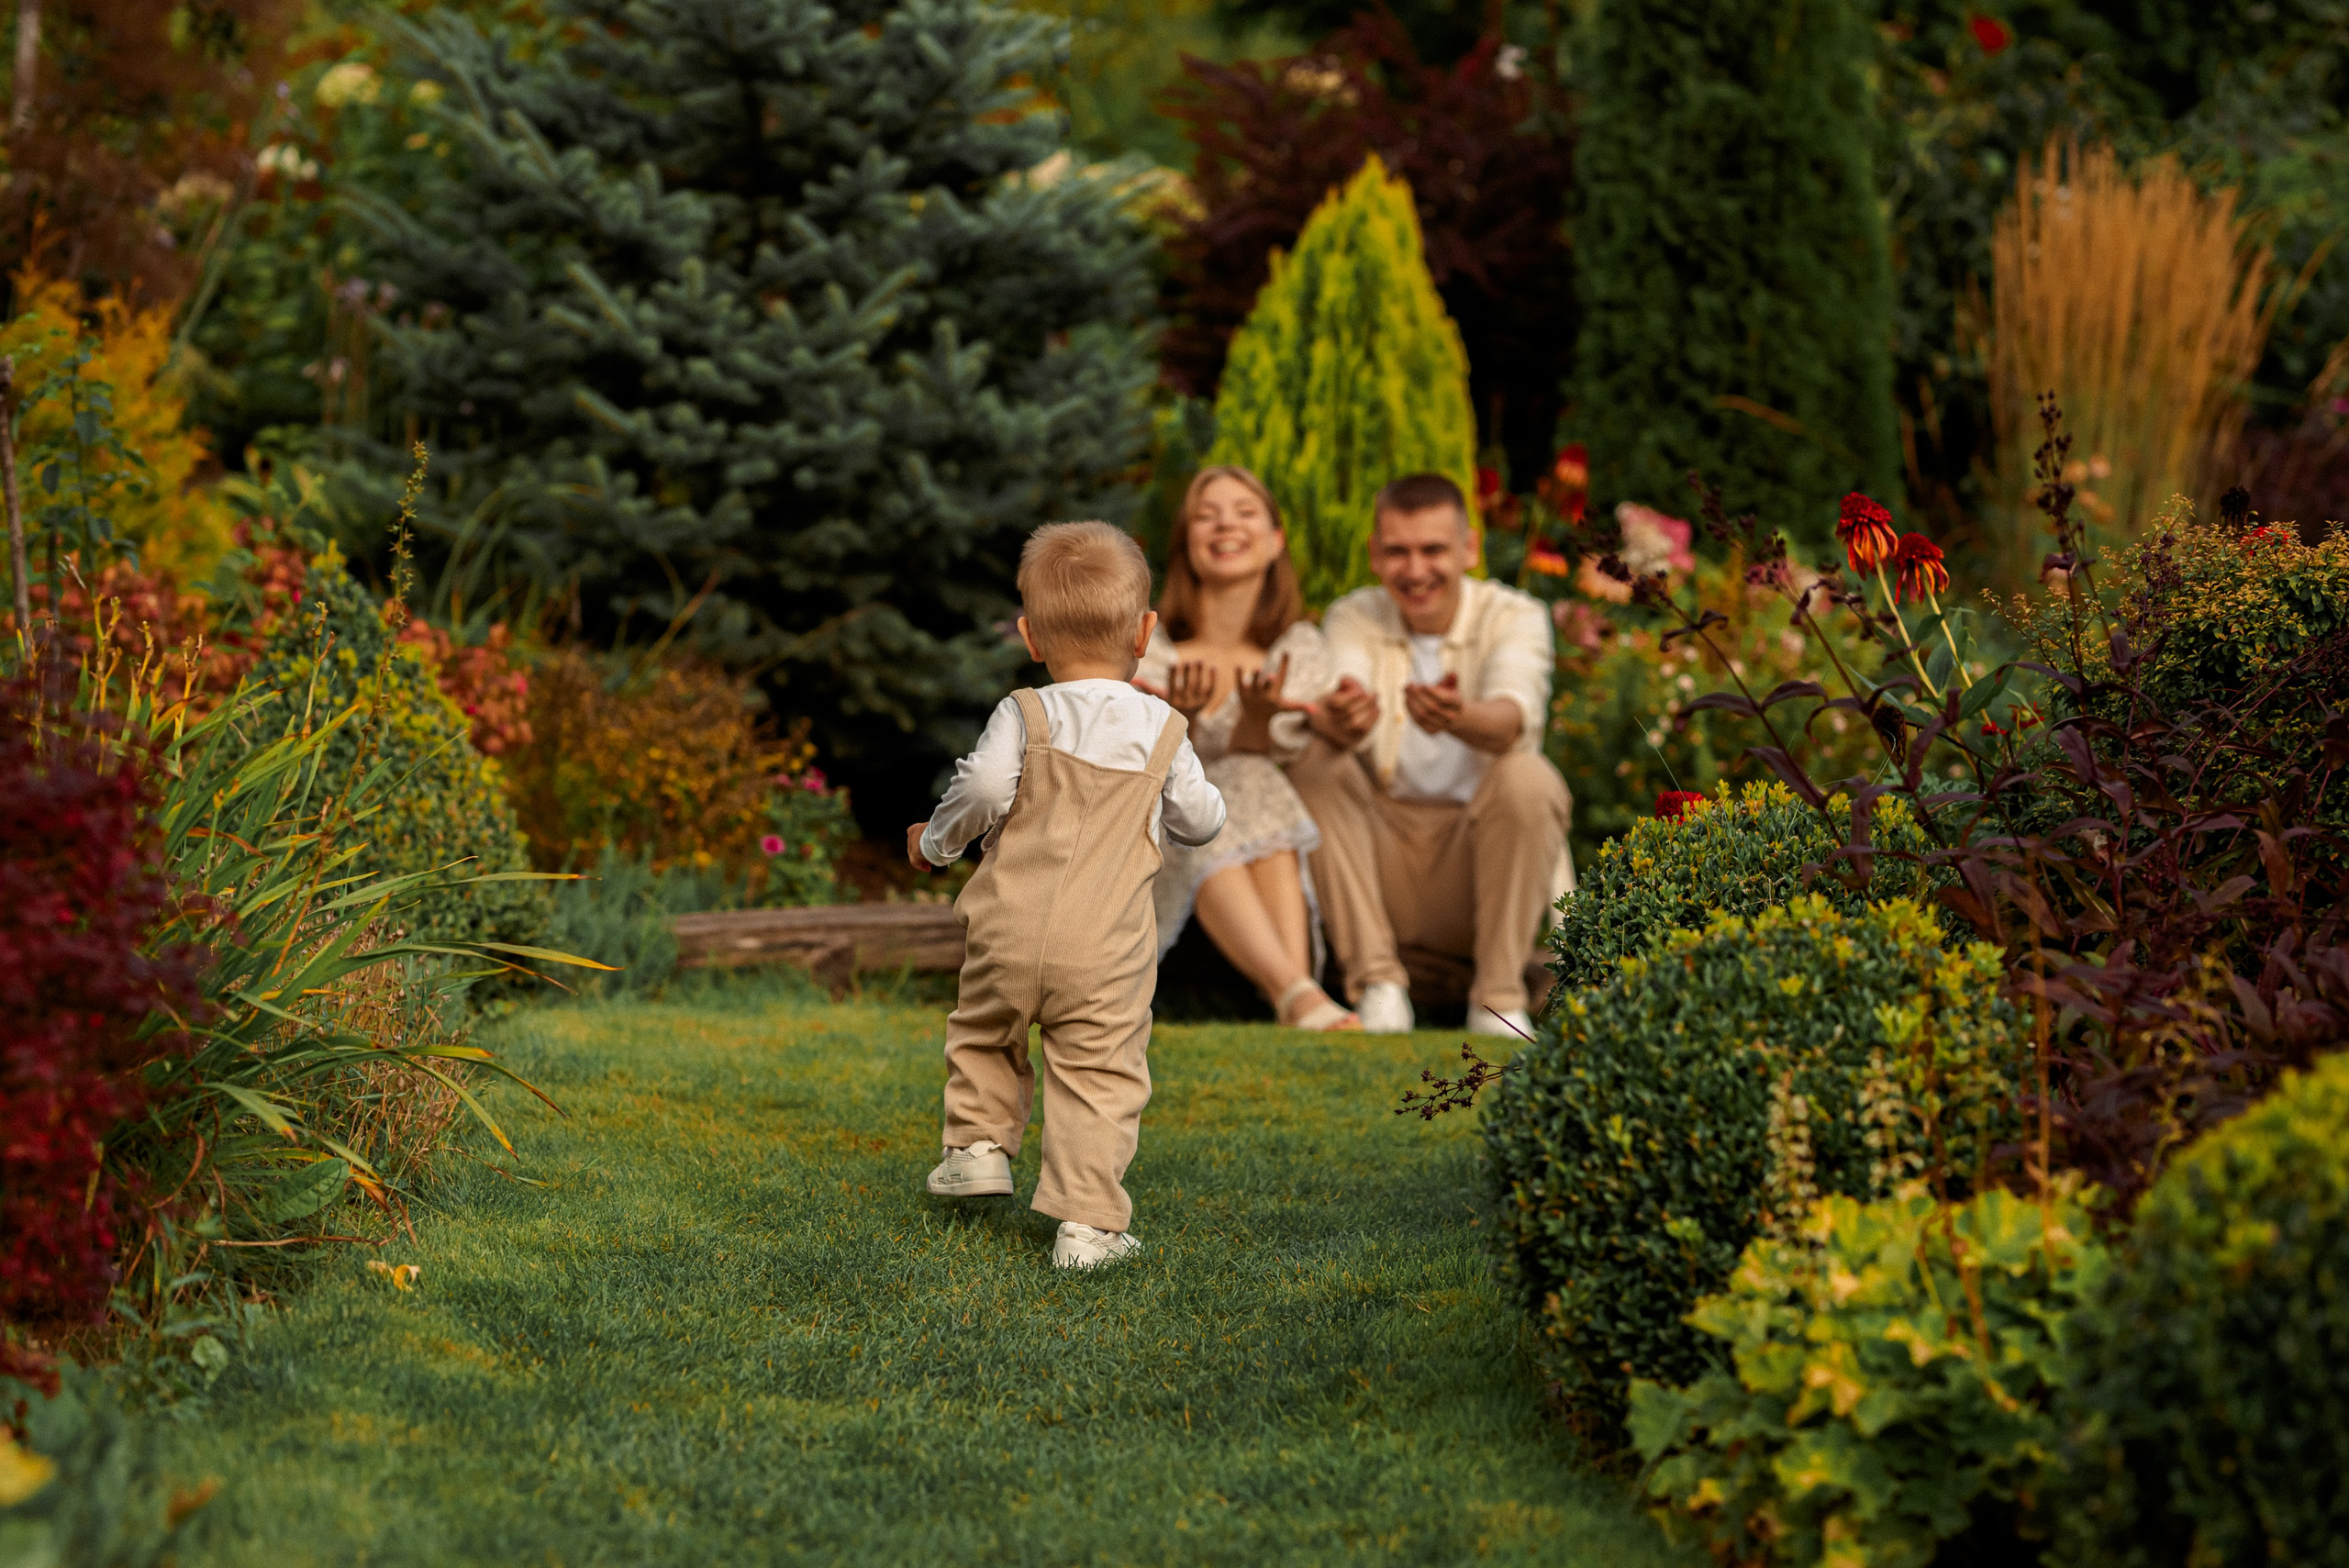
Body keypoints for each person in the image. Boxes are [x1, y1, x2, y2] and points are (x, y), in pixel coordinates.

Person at [907, 521, 1225, 1270]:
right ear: (1145, 632)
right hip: (1106, 950)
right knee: (1098, 1072)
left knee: (985, 1029)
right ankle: (1087, 1225)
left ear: (1030, 637)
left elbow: (984, 788)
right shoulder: (1164, 727)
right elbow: (1204, 820)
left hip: (1007, 926)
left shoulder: (1025, 711)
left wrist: (934, 843)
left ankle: (977, 1147)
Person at [1289, 473, 1574, 1037]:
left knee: (1529, 777)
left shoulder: (1515, 615)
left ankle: (1498, 1000)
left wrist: (1460, 716)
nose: (1415, 570)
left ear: (1470, 549)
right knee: (1316, 761)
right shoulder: (1353, 615)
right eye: (1398, 551)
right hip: (1383, 862)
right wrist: (1344, 714)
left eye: (1433, 550)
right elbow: (1347, 684)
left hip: (1479, 864)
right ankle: (1378, 985)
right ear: (1375, 555)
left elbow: (1512, 717)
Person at [1134, 466, 1357, 1031]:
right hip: (1160, 835)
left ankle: (1296, 998)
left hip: (1254, 826)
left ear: (1276, 540)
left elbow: (1270, 759)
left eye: (1245, 512)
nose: (1225, 525)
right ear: (1187, 542)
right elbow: (1144, 767)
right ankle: (1297, 992)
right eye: (1206, 515)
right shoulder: (1151, 647)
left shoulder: (1298, 649)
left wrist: (1257, 718)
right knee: (1214, 786)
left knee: (1249, 775)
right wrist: (1182, 721)